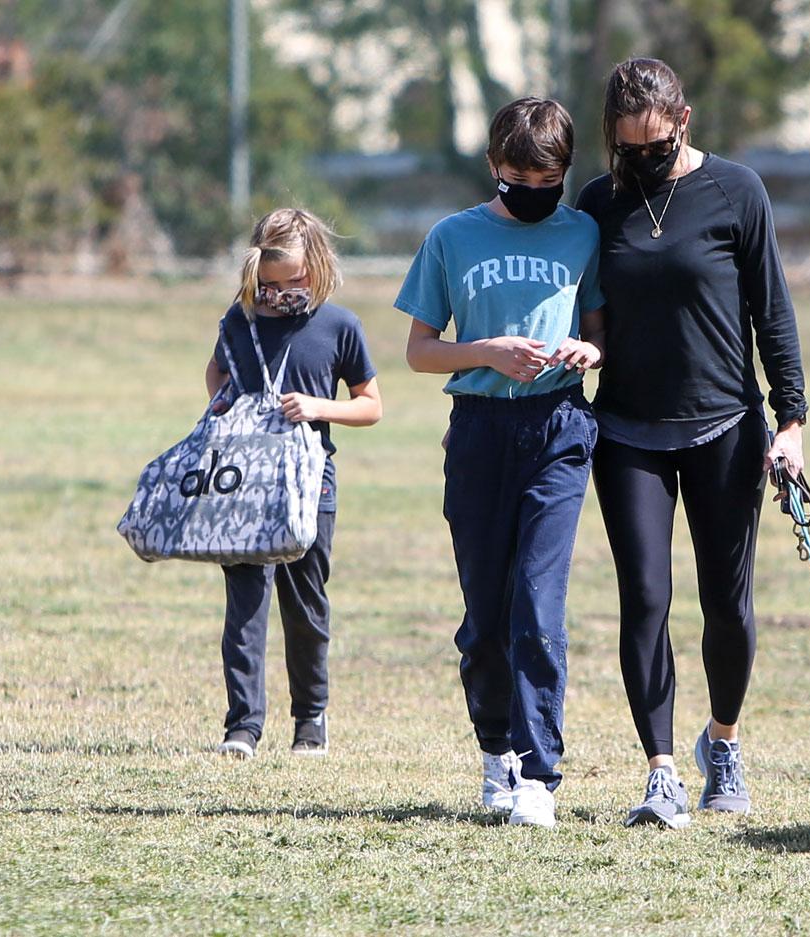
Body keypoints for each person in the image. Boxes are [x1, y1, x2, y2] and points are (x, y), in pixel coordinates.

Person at [576, 58, 809, 828]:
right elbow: (584, 311)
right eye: (626, 146)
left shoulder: (736, 191)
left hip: (724, 425)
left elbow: (772, 312)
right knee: (644, 598)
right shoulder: (599, 203)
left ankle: (724, 743)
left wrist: (792, 422)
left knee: (727, 605)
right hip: (627, 431)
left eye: (654, 144)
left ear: (683, 121)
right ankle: (661, 770)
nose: (641, 159)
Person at [396, 97, 605, 829]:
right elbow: (420, 350)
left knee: (537, 607)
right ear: (493, 166)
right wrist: (487, 351)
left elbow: (601, 331)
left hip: (560, 428)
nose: (532, 187)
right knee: (486, 617)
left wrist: (589, 351)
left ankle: (540, 776)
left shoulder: (583, 232)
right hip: (480, 430)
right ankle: (497, 752)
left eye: (546, 176)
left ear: (564, 173)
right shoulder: (452, 237)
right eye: (517, 174)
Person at [206, 207, 383, 759]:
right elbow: (216, 372)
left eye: (295, 280)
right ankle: (243, 725)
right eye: (271, 283)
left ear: (319, 266)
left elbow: (371, 406)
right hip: (244, 479)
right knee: (245, 599)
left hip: (311, 482)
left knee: (305, 604)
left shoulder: (337, 325)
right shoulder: (239, 322)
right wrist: (224, 399)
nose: (282, 293)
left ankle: (310, 718)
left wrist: (316, 407)